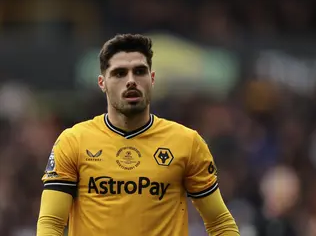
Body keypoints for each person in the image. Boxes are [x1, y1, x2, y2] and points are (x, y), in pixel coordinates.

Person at [36, 33, 240, 236]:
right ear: (102, 83)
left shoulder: (187, 142)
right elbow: (51, 223)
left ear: (152, 79)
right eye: (119, 73)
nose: (131, 81)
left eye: (139, 71)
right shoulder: (74, 141)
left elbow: (220, 223)